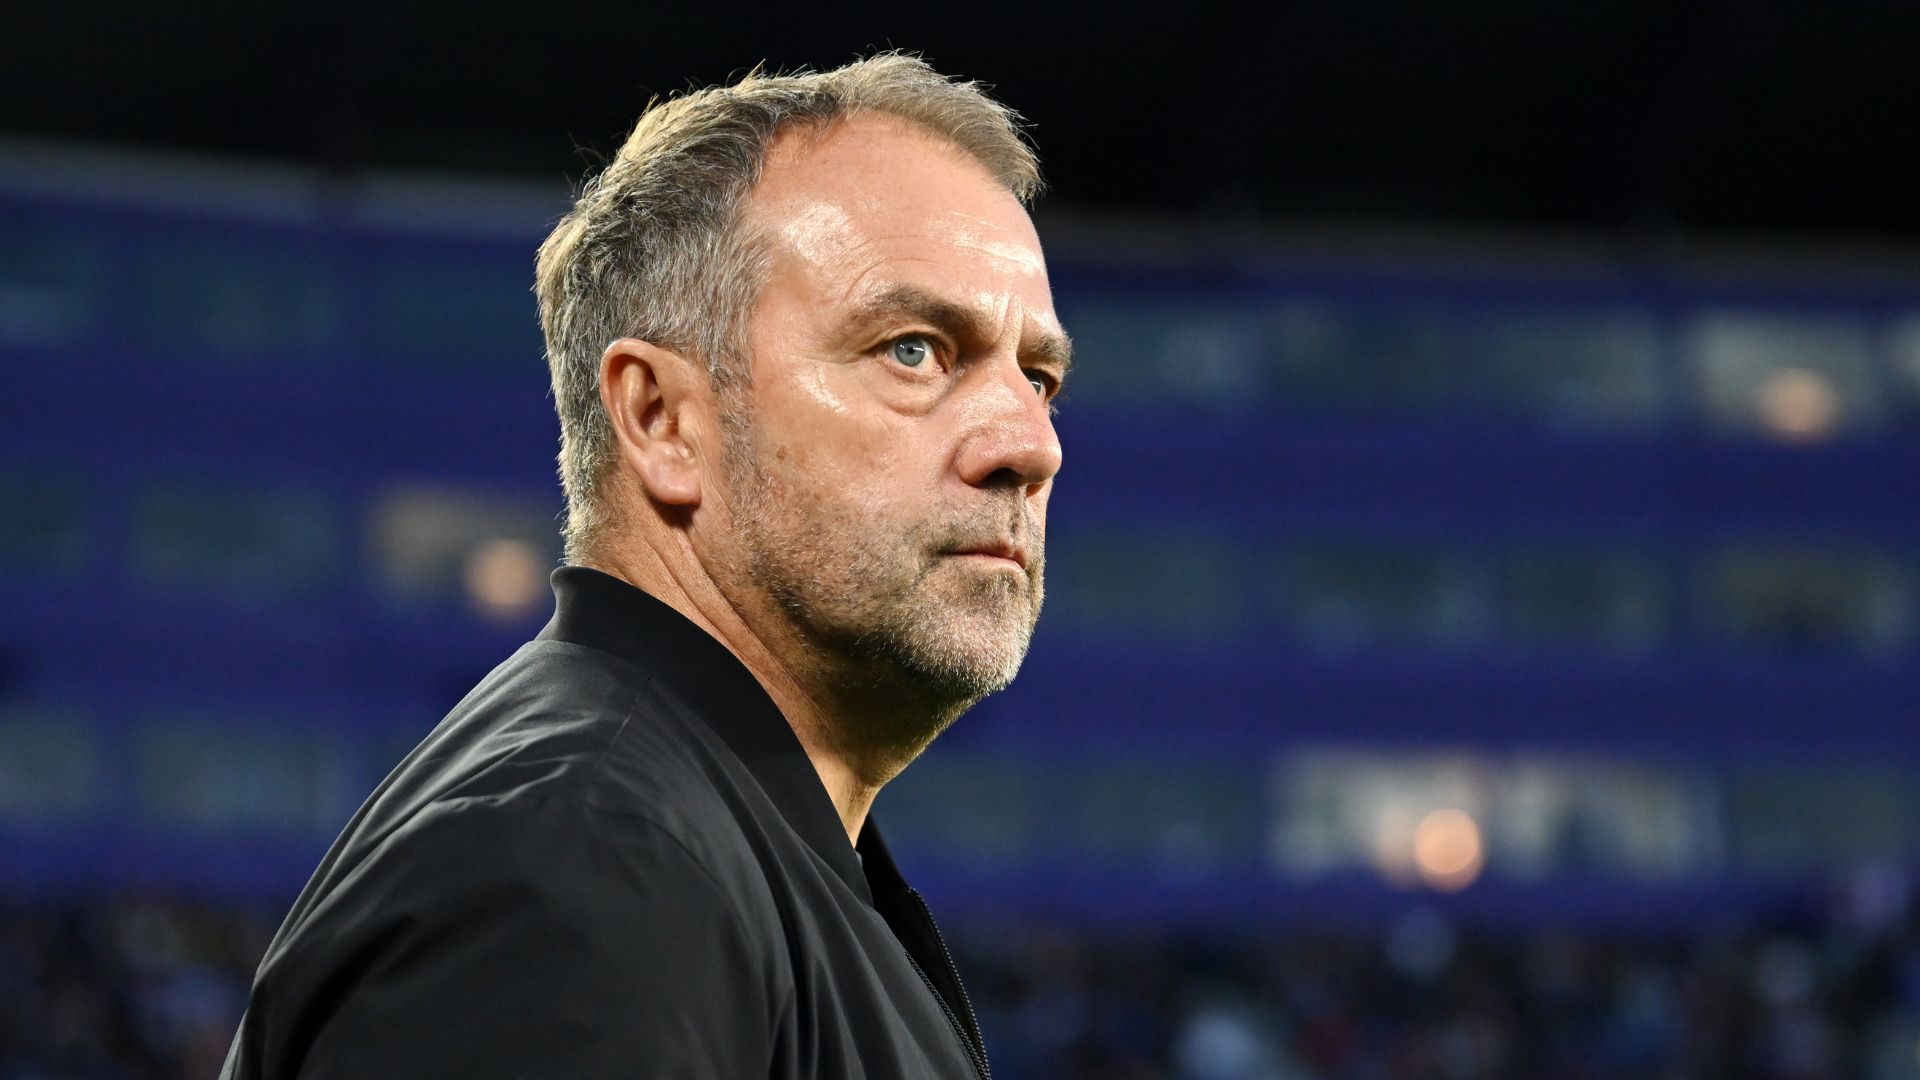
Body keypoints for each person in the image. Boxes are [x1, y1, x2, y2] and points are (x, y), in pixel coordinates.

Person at [220, 52, 1068, 1079]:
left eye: (1038, 376)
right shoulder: (589, 862)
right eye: (914, 350)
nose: (1030, 445)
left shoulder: (694, 841)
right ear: (663, 420)